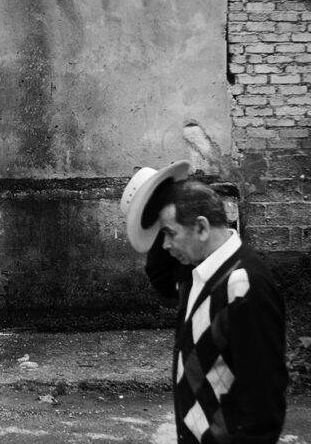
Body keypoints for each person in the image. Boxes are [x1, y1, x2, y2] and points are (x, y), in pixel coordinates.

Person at [121, 161, 288, 444]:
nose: (164, 245)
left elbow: (264, 408)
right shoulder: (196, 273)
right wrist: (161, 197)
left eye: (170, 234)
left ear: (201, 227)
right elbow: (161, 276)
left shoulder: (244, 285)